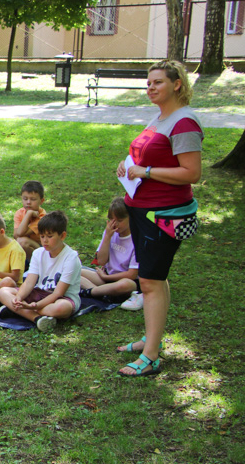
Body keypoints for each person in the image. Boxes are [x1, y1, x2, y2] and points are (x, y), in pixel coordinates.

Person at [115, 59, 203, 377]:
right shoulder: (161, 117)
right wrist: (129, 166)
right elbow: (145, 155)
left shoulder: (184, 122)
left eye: (158, 82)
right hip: (143, 209)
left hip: (164, 214)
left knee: (150, 282)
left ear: (176, 84)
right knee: (156, 279)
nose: (150, 88)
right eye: (148, 83)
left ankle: (151, 356)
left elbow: (191, 172)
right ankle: (151, 340)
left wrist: (147, 171)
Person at [0, 211, 82, 332]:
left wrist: (35, 306)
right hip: (39, 293)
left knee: (61, 308)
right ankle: (37, 319)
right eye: (42, 236)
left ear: (62, 236)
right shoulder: (38, 253)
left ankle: (19, 311)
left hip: (62, 298)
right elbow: (29, 283)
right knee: (2, 292)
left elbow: (58, 293)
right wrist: (19, 298)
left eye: (50, 236)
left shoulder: (71, 258)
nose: (45, 241)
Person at [78, 196, 139, 301]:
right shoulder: (110, 232)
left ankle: (92, 291)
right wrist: (107, 237)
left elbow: (131, 274)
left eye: (119, 220)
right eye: (111, 220)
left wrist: (106, 277)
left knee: (125, 285)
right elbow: (101, 261)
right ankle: (101, 293)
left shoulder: (137, 239)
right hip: (106, 276)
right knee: (75, 272)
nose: (114, 224)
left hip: (123, 280)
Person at [13, 180, 47, 259]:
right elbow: (15, 235)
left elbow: (20, 233)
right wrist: (28, 214)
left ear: (41, 201)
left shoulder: (42, 216)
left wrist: (28, 214)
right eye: (25, 199)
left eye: (33, 199)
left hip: (41, 248)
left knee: (22, 241)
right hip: (25, 248)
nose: (28, 202)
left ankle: (35, 264)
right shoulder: (19, 213)